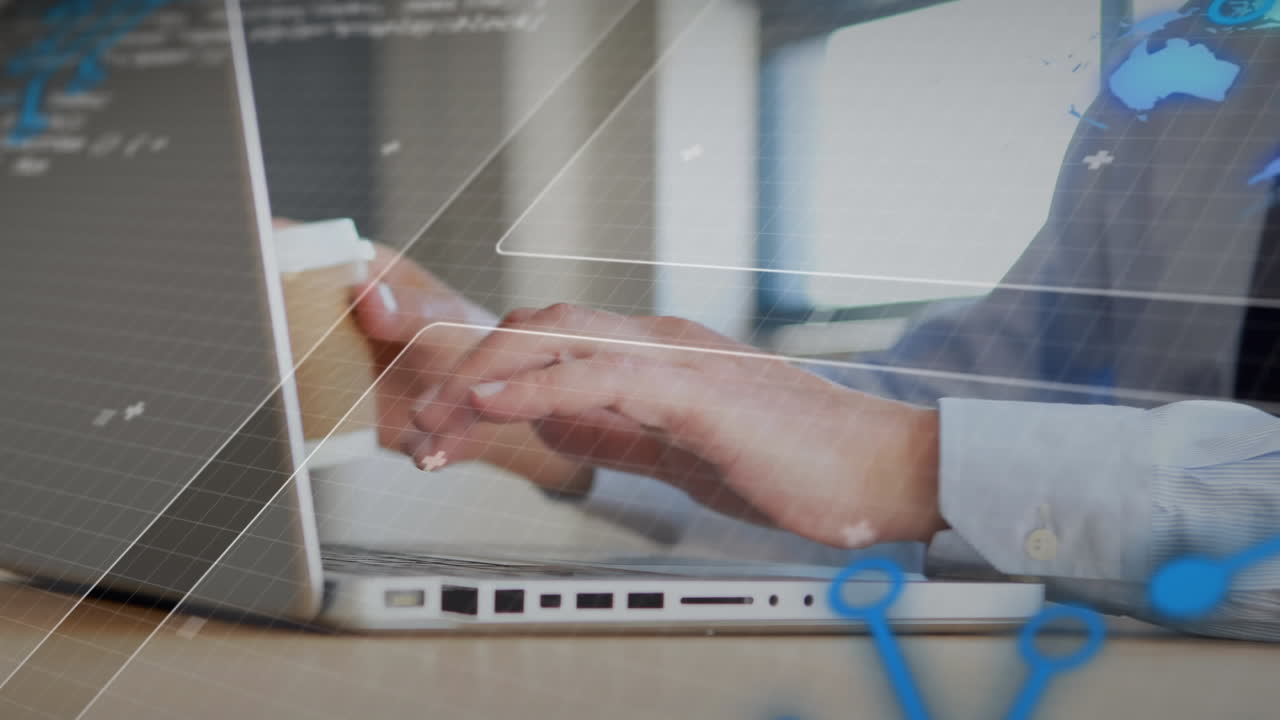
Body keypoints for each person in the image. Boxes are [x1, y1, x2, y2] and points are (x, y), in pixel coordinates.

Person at [349, 10, 1280, 641]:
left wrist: (907, 463)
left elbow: (914, 462)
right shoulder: (1195, 83)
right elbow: (962, 431)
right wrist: (516, 404)